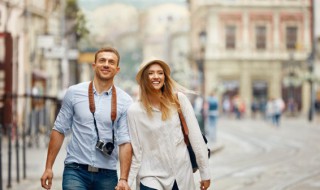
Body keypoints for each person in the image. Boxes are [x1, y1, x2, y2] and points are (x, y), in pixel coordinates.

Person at [40, 47, 133, 190]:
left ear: (117, 69)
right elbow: (59, 129)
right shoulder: (74, 92)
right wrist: (48, 167)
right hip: (75, 171)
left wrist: (124, 179)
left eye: (111, 62)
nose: (106, 64)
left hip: (107, 174)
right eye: (102, 60)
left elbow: (125, 141)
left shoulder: (125, 101)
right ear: (94, 65)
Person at [127, 59, 211, 190]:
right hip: (150, 177)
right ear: (144, 78)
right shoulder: (134, 111)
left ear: (165, 77)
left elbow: (196, 138)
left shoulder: (178, 100)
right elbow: (136, 152)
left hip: (180, 174)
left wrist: (204, 173)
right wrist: (127, 181)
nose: (156, 76)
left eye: (160, 73)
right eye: (151, 73)